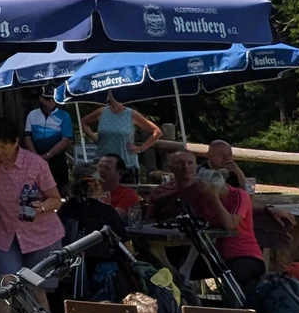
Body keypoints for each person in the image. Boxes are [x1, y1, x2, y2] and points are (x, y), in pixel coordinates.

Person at [0, 114, 65, 313]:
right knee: (5, 285)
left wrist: (41, 207)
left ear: (15, 142)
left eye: (3, 145)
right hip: (7, 233)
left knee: (35, 287)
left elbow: (56, 199)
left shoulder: (35, 164)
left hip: (42, 235)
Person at [173, 151, 265, 299]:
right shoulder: (202, 199)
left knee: (231, 280)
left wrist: (214, 197)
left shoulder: (238, 195)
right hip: (215, 256)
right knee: (175, 272)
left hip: (244, 255)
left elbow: (230, 224)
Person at [82, 91, 160, 173]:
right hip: (103, 164)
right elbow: (83, 122)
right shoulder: (102, 112)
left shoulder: (131, 114)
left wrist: (141, 148)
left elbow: (157, 132)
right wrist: (94, 138)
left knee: (126, 185)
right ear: (109, 96)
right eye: (113, 94)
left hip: (126, 165)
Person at [25, 88, 77, 189]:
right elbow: (27, 136)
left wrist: (48, 155)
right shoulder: (32, 114)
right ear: (41, 99)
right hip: (36, 156)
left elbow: (66, 139)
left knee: (59, 188)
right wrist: (36, 156)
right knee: (37, 187)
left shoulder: (64, 116)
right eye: (48, 99)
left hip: (57, 158)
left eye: (54, 99)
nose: (51, 102)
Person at [96, 153, 141, 217]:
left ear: (119, 174)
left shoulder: (127, 194)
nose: (101, 171)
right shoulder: (89, 192)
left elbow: (114, 217)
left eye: (107, 168)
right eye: (99, 167)